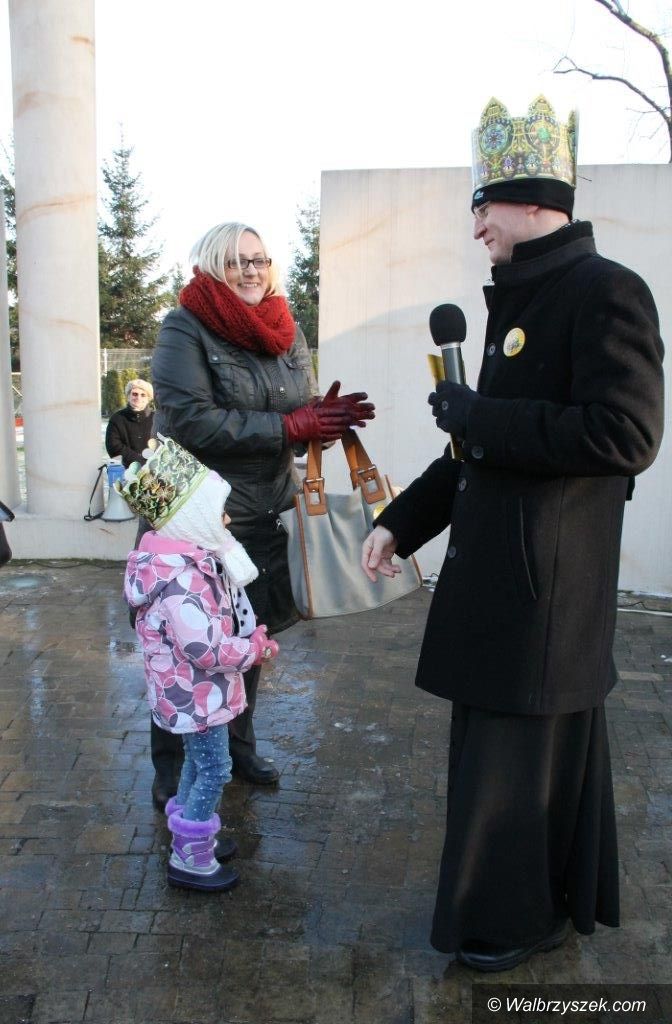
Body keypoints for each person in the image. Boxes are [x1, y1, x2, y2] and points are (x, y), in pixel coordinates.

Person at [361, 96, 665, 972]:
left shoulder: (607, 291)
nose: (476, 228)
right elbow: (478, 453)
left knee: (514, 776)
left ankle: (514, 922)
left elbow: (626, 434)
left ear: (533, 199)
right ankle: (526, 908)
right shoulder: (523, 296)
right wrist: (403, 522)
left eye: (482, 206)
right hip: (504, 588)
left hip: (546, 597)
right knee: (499, 764)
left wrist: (481, 415)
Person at [150, 221, 374, 801]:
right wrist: (291, 425)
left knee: (249, 637)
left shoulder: (284, 328)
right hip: (202, 519)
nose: (251, 270)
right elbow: (191, 420)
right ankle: (171, 767)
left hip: (269, 507)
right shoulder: (185, 327)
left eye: (259, 259)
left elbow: (296, 412)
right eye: (236, 261)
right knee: (186, 645)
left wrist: (321, 421)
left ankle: (238, 746)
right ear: (211, 265)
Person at [120, 436, 279, 892]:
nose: (227, 520)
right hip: (197, 696)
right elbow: (206, 650)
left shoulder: (179, 566)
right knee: (215, 770)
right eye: (220, 512)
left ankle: (190, 830)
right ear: (193, 521)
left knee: (196, 762)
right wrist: (253, 651)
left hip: (191, 695)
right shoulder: (183, 579)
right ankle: (191, 856)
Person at [105, 378, 155, 468]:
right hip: (126, 470)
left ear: (148, 398)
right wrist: (137, 462)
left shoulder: (156, 418)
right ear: (128, 396)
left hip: (154, 470)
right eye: (135, 394)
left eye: (143, 395)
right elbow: (114, 446)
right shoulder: (117, 418)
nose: (138, 398)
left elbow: (163, 443)